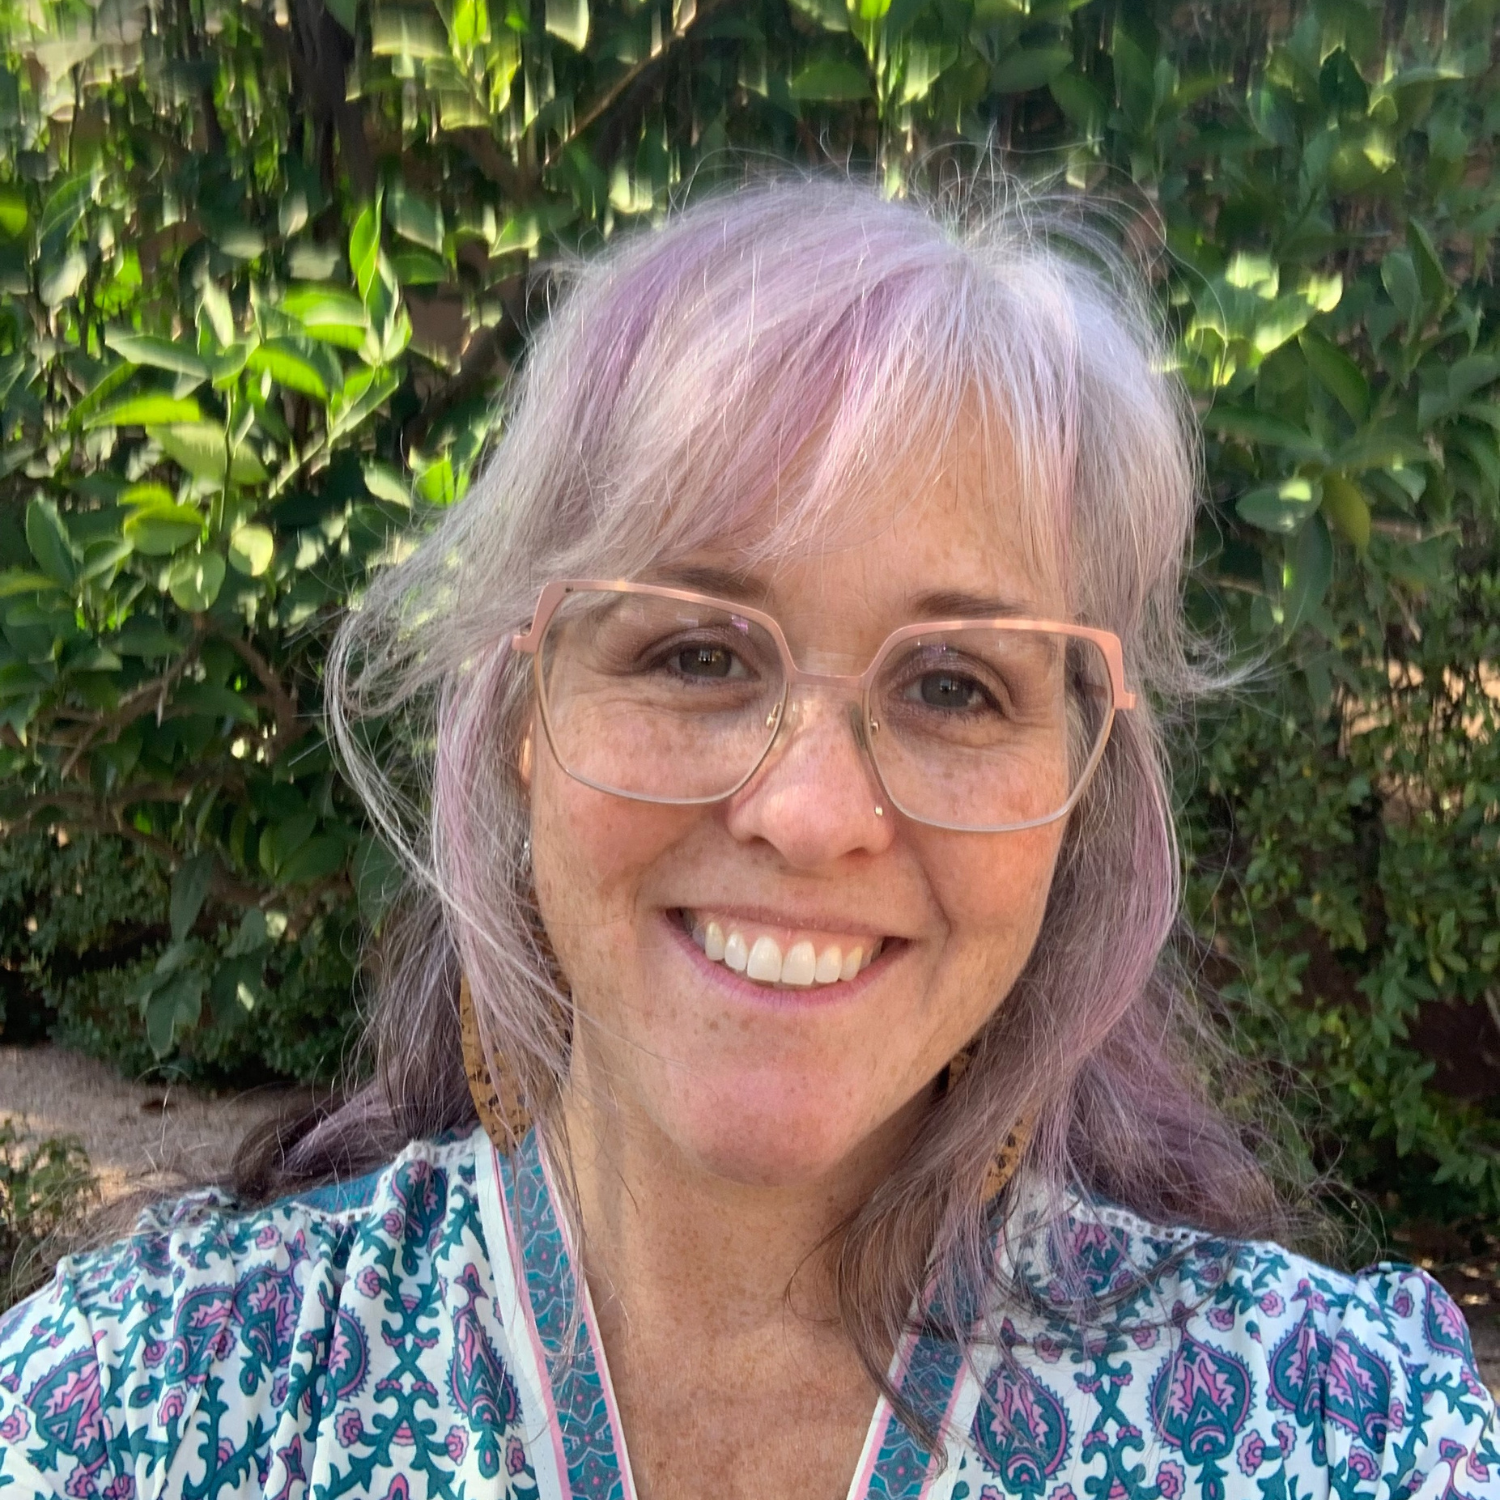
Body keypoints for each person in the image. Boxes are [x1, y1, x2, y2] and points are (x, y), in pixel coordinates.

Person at [1, 177, 1495, 1500]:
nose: (810, 814)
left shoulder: (1334, 1436)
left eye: (953, 686)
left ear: (1078, 791)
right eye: (699, 655)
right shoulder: (154, 1406)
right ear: (525, 716)